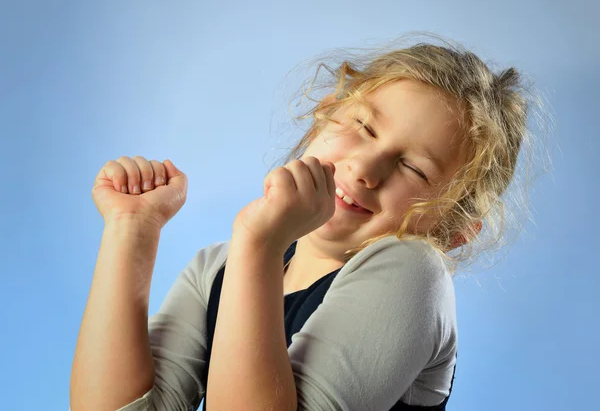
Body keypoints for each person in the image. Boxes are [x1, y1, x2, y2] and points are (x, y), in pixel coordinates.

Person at [70, 35, 545, 411]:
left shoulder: (414, 271)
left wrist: (259, 244)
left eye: (415, 168)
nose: (364, 168)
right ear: (322, 117)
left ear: (454, 229)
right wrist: (131, 231)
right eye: (362, 126)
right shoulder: (218, 268)